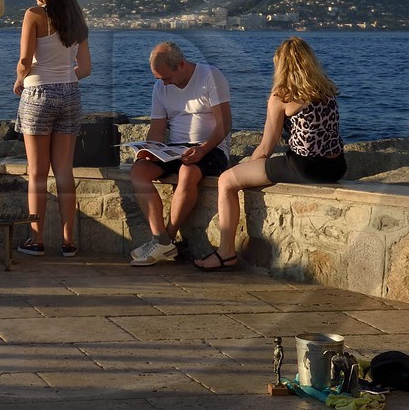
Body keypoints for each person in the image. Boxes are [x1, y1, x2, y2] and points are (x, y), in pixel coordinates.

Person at [195, 37, 344, 271]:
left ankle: (225, 253)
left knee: (226, 181)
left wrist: (246, 169)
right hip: (335, 166)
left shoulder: (282, 96)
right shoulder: (326, 88)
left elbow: (266, 147)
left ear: (281, 65)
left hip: (304, 167)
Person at [12, 0, 92, 257]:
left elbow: (24, 60)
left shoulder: (34, 15)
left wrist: (20, 78)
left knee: (36, 173)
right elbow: (84, 69)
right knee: (63, 171)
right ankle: (68, 241)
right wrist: (62, 75)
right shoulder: (78, 20)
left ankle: (36, 240)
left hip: (38, 94)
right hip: (70, 94)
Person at [129, 41, 231, 266]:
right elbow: (157, 128)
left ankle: (167, 238)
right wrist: (149, 151)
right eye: (159, 79)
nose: (164, 83)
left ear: (181, 65)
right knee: (139, 171)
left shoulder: (210, 76)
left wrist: (203, 149)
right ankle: (161, 241)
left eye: (166, 78)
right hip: (175, 148)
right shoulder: (161, 86)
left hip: (211, 147)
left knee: (188, 173)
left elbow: (225, 124)